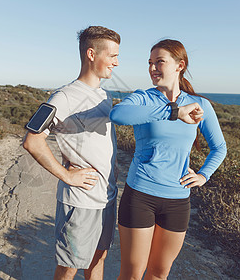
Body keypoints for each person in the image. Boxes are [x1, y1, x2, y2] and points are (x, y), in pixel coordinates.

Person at [109, 39, 227, 280]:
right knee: (132, 274)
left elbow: (219, 147)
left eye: (159, 62)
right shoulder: (143, 98)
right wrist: (174, 112)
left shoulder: (200, 105)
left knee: (159, 273)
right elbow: (118, 115)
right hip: (140, 195)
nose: (152, 68)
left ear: (179, 65)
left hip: (177, 201)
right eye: (150, 63)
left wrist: (203, 175)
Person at [23, 26, 120, 280]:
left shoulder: (104, 96)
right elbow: (32, 141)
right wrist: (67, 176)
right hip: (80, 201)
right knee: (70, 268)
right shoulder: (64, 97)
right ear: (91, 54)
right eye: (112, 56)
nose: (116, 63)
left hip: (107, 197)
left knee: (98, 261)